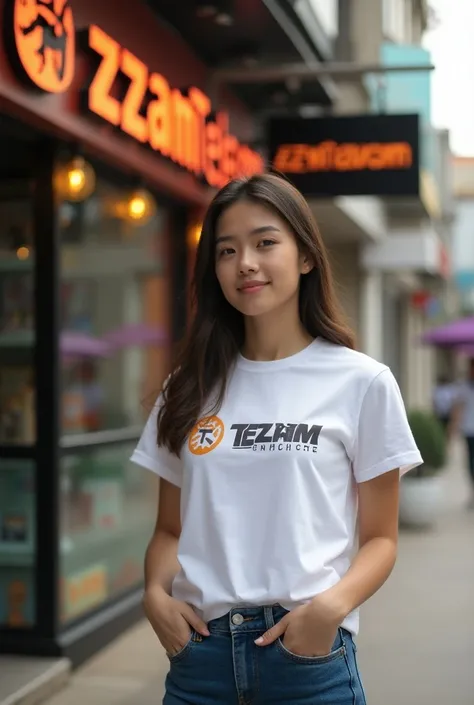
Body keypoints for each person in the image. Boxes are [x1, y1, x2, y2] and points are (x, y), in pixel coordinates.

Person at [131, 173, 422, 704]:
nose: (245, 262)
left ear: (306, 256)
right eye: (226, 249)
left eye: (265, 242)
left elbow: (381, 539)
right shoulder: (190, 386)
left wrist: (330, 610)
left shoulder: (362, 382)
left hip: (306, 656)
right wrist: (154, 594)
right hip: (201, 659)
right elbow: (170, 529)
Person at [449, 359, 474, 510]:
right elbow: (457, 410)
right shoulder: (464, 388)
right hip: (469, 431)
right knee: (471, 463)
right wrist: (452, 429)